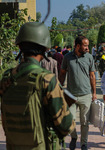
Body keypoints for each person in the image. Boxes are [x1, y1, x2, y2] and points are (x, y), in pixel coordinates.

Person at [0, 22, 75, 150]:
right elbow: (66, 126)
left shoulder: (7, 78)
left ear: (20, 46)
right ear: (45, 48)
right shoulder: (46, 79)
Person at [59, 36, 97, 150]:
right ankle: (74, 137)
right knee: (69, 119)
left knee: (85, 122)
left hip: (85, 94)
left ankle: (84, 143)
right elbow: (62, 74)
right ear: (78, 46)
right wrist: (59, 89)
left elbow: (92, 75)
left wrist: (94, 92)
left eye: (87, 45)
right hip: (70, 94)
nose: (87, 47)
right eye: (85, 45)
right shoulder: (67, 57)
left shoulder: (89, 57)